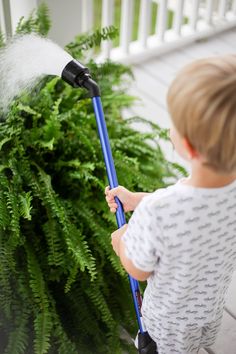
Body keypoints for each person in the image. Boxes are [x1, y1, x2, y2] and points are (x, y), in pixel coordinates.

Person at [105, 55, 236, 354]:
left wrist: (122, 242)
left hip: (168, 328)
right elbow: (193, 210)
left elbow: (137, 269)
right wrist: (137, 200)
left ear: (187, 146)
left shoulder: (159, 212)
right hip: (209, 311)